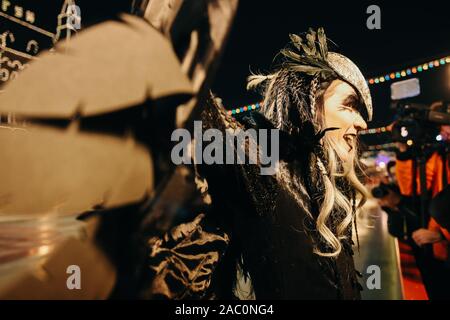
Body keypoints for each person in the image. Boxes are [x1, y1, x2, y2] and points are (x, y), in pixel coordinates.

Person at [146, 27, 373, 300]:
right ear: (308, 102)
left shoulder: (330, 185)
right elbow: (189, 108)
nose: (361, 123)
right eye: (349, 105)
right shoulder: (262, 162)